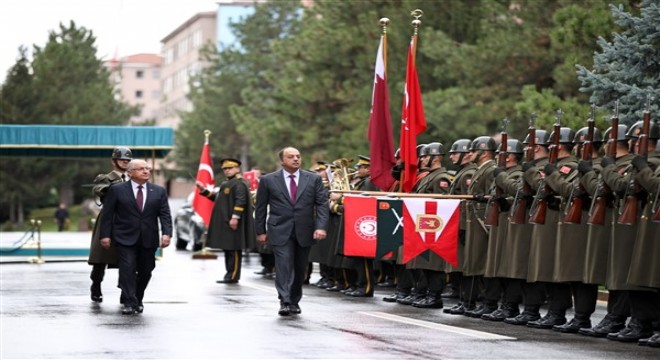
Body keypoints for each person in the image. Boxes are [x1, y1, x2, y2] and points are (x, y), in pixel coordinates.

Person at [254, 146, 329, 316]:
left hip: (305, 230)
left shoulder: (313, 179)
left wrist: (321, 227)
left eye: (298, 156)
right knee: (283, 265)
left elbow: (322, 205)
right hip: (279, 229)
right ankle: (285, 300)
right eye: (291, 157)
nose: (296, 159)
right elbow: (260, 207)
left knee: (299, 266)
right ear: (282, 161)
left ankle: (295, 300)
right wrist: (260, 231)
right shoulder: (269, 180)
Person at [99, 159, 172, 315]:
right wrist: (105, 235)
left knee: (146, 270)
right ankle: (129, 301)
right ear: (130, 172)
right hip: (124, 237)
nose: (146, 171)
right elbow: (107, 214)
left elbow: (165, 214)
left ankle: (138, 298)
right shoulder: (117, 190)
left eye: (148, 169)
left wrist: (167, 233)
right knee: (128, 268)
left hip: (149, 237)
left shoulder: (158, 191)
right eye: (141, 169)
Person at [196, 158, 255, 284]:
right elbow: (217, 198)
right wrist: (203, 191)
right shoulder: (227, 183)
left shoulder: (239, 183)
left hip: (233, 222)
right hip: (226, 222)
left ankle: (233, 275)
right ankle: (229, 274)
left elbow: (241, 201)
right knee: (228, 248)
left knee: (233, 248)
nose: (227, 171)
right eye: (225, 169)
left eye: (230, 168)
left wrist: (235, 217)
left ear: (237, 169)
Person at [88, 146, 132, 303]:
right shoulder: (106, 178)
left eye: (128, 160)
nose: (125, 162)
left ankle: (125, 291)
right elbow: (99, 189)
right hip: (109, 219)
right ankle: (96, 285)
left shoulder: (133, 178)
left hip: (127, 221)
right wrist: (115, 187)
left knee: (127, 259)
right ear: (114, 162)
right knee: (101, 257)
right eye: (122, 160)